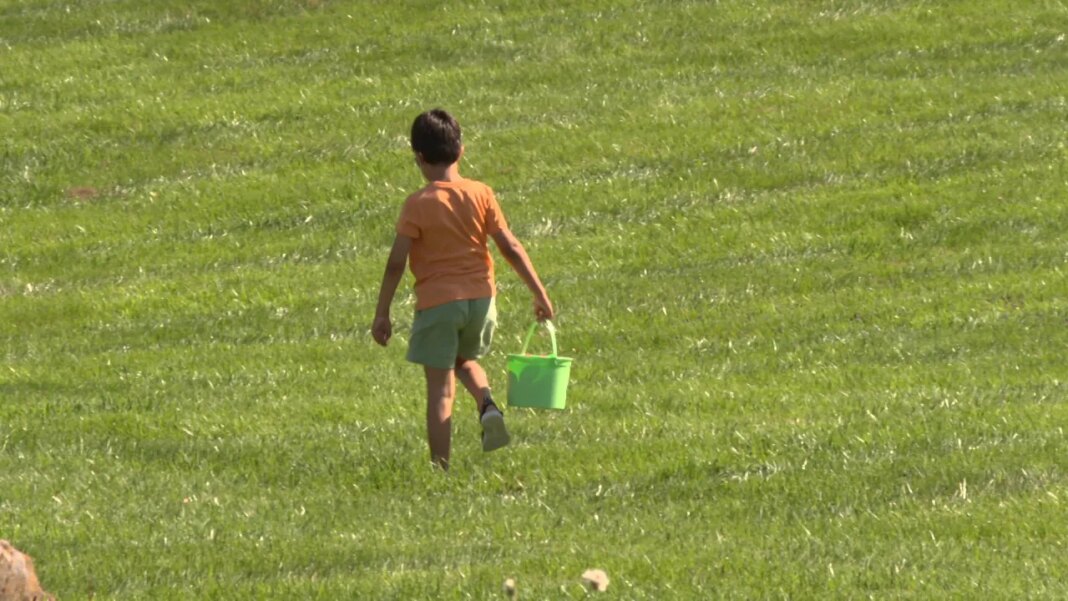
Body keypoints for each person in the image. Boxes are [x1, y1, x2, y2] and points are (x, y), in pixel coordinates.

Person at [372, 108, 554, 471]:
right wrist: (539, 292)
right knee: (464, 361)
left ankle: (440, 469)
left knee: (440, 390)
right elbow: (510, 246)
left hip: (439, 304)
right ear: (461, 150)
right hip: (481, 302)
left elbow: (396, 262)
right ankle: (487, 403)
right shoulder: (481, 193)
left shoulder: (418, 204)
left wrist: (382, 312)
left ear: (419, 157)